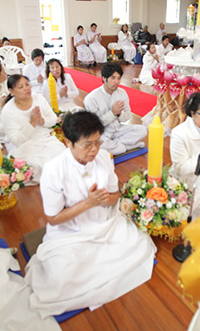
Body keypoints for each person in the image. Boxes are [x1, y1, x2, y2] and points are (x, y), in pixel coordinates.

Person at [24, 111, 156, 317]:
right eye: (87, 144)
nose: (94, 149)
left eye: (97, 142)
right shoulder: (53, 170)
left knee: (140, 244)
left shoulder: (103, 157)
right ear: (68, 142)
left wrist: (105, 200)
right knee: (60, 279)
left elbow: (115, 194)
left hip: (105, 222)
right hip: (69, 232)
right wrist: (88, 203)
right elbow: (53, 218)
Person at [1, 75, 65, 183]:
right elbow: (16, 140)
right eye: (21, 87)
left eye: (27, 84)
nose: (26, 88)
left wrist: (41, 120)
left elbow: (53, 119)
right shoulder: (8, 111)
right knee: (36, 166)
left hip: (46, 139)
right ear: (11, 91)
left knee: (63, 159)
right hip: (25, 145)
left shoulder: (38, 98)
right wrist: (32, 123)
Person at [83, 63, 147, 155]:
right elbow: (94, 126)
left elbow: (127, 117)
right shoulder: (91, 98)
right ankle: (127, 146)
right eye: (113, 78)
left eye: (119, 78)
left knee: (143, 130)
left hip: (118, 130)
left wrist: (119, 114)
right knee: (98, 144)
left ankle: (117, 145)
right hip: (101, 133)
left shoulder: (122, 93)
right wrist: (112, 113)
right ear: (104, 78)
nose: (117, 81)